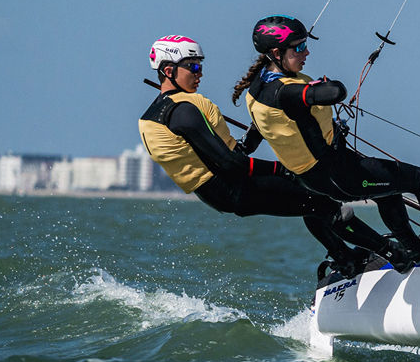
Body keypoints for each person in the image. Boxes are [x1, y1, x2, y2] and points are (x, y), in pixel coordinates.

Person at [232, 16, 420, 269]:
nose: (306, 52)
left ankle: (415, 249)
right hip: (337, 175)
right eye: (299, 48)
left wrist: (244, 147)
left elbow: (261, 125)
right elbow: (336, 92)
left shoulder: (258, 88)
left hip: (320, 174)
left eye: (305, 45)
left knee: (389, 190)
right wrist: (323, 86)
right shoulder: (285, 92)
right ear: (276, 53)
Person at [139, 34, 391, 277]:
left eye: (200, 66)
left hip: (222, 190)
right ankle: (392, 253)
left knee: (313, 203)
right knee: (323, 202)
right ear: (168, 71)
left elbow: (230, 153)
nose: (199, 73)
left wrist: (261, 126)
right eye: (193, 67)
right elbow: (230, 162)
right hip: (233, 186)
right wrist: (281, 169)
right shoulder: (182, 111)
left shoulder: (157, 113)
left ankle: (347, 260)